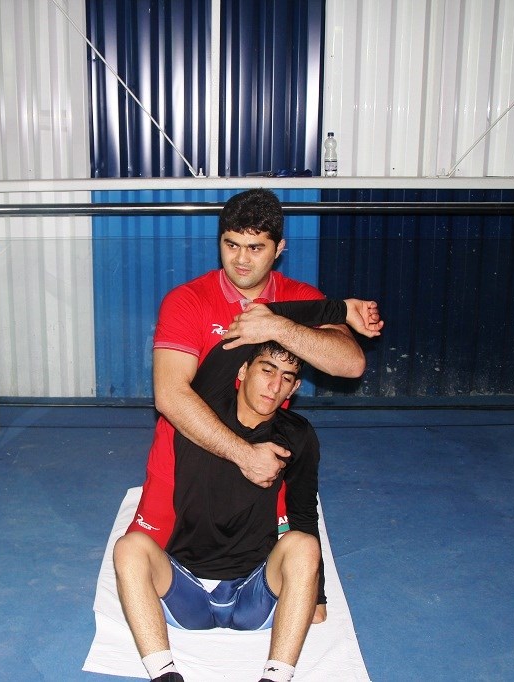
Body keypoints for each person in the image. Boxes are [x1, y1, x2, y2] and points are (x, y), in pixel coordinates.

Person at [114, 298, 381, 682]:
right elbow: (251, 317)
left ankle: (276, 676)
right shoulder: (202, 409)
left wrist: (317, 593)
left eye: (287, 378)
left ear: (295, 387)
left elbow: (303, 511)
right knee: (129, 548)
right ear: (243, 369)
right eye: (267, 369)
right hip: (185, 586)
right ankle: (165, 675)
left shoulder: (297, 434)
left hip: (254, 590)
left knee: (303, 544)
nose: (274, 386)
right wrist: (337, 310)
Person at [127, 188, 366, 561]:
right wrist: (243, 455)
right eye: (231, 245)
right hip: (186, 458)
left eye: (255, 248)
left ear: (279, 248)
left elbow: (350, 363)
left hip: (266, 463)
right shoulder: (187, 301)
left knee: (290, 568)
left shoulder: (300, 299)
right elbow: (170, 395)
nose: (240, 259)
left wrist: (276, 326)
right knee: (141, 562)